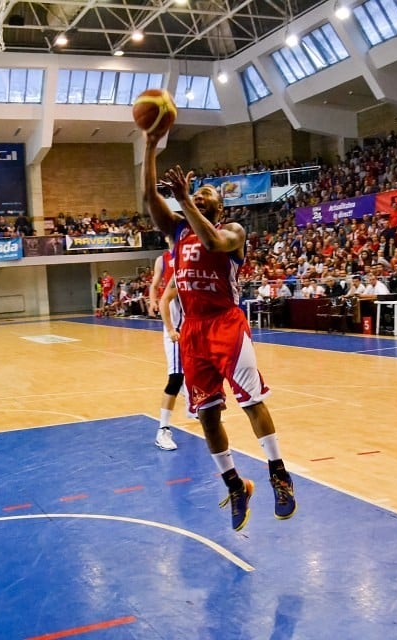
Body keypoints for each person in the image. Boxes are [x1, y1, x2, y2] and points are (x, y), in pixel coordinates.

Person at [142, 131, 295, 531]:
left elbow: (211, 239)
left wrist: (186, 199)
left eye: (208, 192)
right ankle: (234, 483)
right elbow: (148, 199)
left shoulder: (234, 231)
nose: (202, 194)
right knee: (208, 417)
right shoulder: (176, 231)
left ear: (220, 204)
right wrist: (148, 144)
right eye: (199, 191)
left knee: (250, 403)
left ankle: (279, 473)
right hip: (193, 330)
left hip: (226, 323)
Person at [148, 245, 182, 451]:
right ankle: (163, 430)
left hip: (191, 325)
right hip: (175, 325)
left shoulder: (194, 263)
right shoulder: (165, 260)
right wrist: (170, 329)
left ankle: (196, 407)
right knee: (176, 377)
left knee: (197, 372)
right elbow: (160, 294)